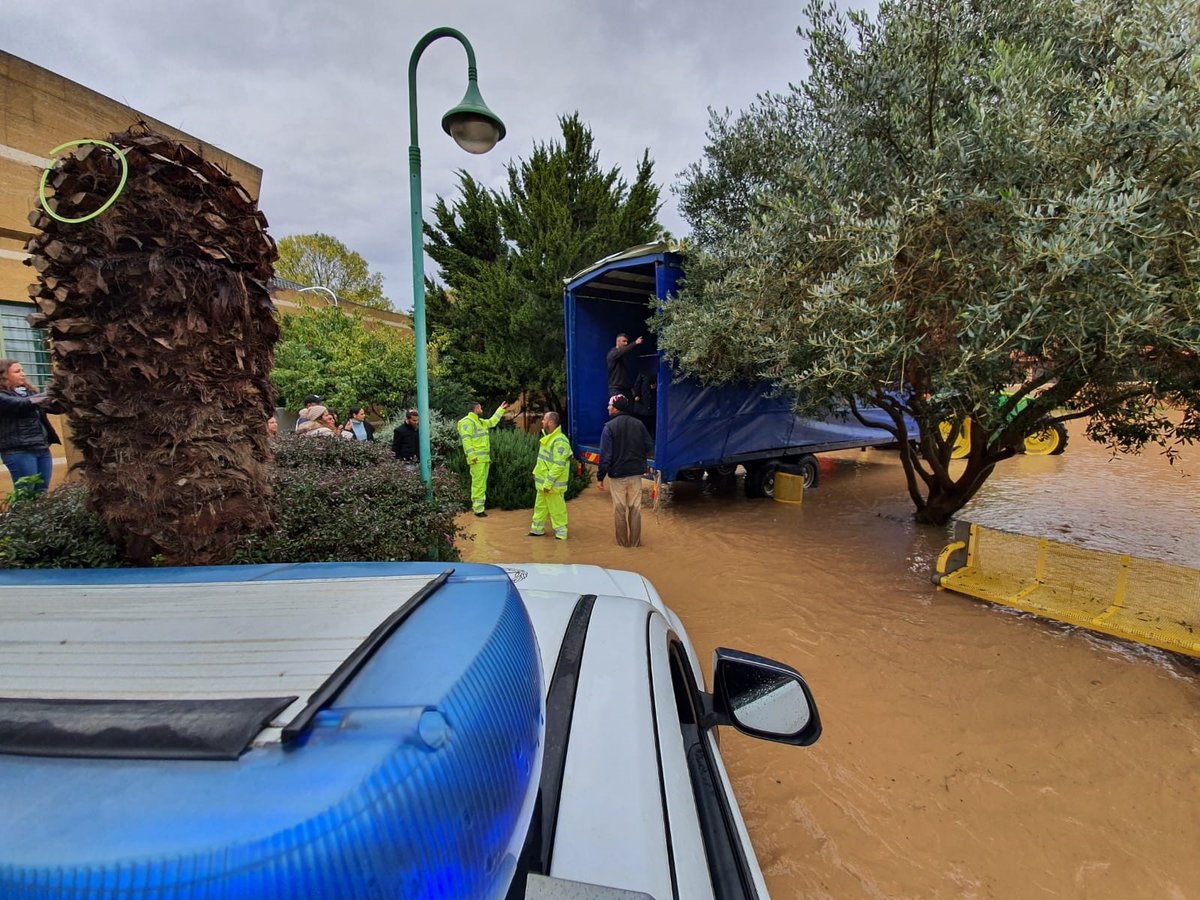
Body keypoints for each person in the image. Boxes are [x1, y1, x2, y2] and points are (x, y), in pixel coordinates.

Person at [596, 394, 654, 547]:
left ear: (615, 408)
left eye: (609, 405)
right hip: (636, 475)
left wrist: (600, 477)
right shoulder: (639, 424)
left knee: (619, 511)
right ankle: (635, 545)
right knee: (635, 510)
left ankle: (623, 546)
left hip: (617, 476)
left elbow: (605, 457)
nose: (607, 407)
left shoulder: (609, 427)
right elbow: (649, 447)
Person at [0, 359, 60, 494]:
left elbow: (54, 408)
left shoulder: (30, 393)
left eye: (22, 370)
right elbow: (21, 404)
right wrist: (52, 391)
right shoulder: (3, 396)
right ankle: (16, 516)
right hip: (19, 451)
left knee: (42, 492)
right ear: (4, 375)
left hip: (42, 448)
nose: (23, 374)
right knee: (26, 493)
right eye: (17, 371)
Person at [457, 399, 509, 516]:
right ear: (475, 409)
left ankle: (479, 508)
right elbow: (466, 440)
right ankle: (478, 509)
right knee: (478, 484)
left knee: (481, 484)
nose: (482, 410)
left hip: (484, 459)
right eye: (480, 408)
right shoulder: (467, 422)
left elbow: (492, 422)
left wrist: (500, 410)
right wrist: (472, 456)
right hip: (477, 460)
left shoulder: (479, 421)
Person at [528, 411, 572, 540]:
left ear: (551, 422)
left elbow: (558, 466)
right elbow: (543, 461)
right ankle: (537, 530)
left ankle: (561, 534)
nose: (542, 422)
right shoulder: (550, 438)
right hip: (544, 485)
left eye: (544, 419)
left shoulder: (560, 441)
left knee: (557, 510)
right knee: (540, 508)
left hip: (551, 486)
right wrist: (536, 473)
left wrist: (548, 483)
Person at [606, 333, 644, 399]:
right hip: (616, 389)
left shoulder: (625, 357)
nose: (626, 343)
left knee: (629, 408)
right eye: (624, 341)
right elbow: (622, 351)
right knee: (617, 408)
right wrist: (635, 343)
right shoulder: (613, 353)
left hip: (626, 390)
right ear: (617, 341)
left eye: (626, 341)